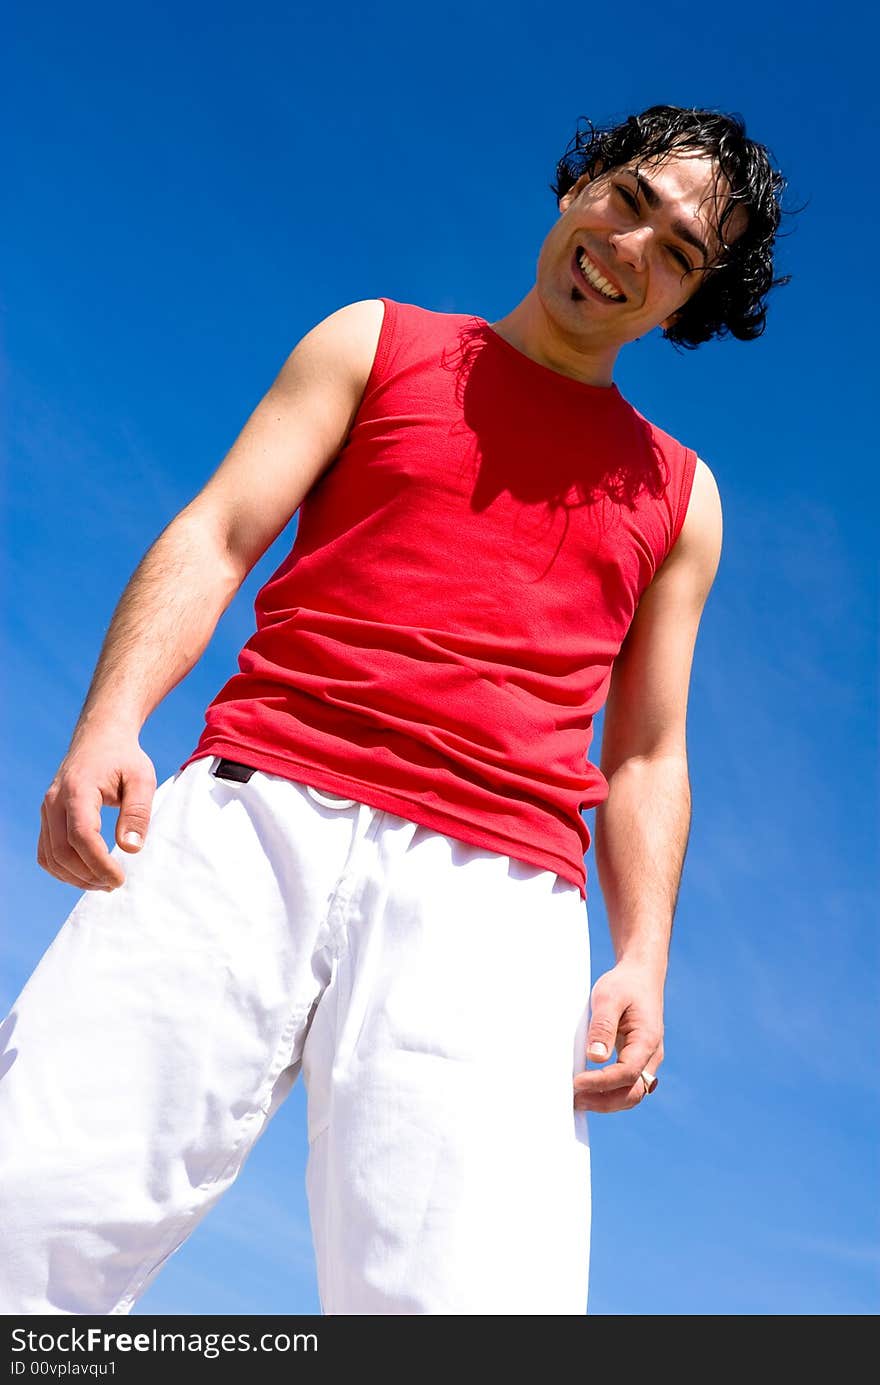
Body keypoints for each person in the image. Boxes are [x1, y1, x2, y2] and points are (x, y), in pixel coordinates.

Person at [1, 104, 788, 1316]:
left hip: (498, 895)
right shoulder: (374, 340)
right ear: (578, 185)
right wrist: (108, 722)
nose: (632, 246)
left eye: (680, 251)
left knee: (467, 1310)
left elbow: (643, 750)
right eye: (627, 198)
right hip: (249, 813)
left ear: (689, 303)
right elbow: (220, 533)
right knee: (30, 1211)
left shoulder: (682, 499)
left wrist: (644, 955)